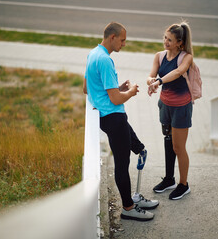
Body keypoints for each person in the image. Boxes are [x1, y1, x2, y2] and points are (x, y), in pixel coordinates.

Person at [83, 22, 159, 221]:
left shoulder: (93, 54)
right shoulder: (106, 61)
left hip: (108, 116)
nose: (124, 44)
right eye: (123, 40)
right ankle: (128, 207)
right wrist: (130, 92)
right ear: (112, 37)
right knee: (122, 164)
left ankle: (134, 198)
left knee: (139, 148)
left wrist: (117, 87)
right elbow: (116, 99)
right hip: (113, 117)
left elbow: (87, 88)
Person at [147, 21, 194, 200]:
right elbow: (151, 75)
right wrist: (150, 81)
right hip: (165, 105)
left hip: (181, 107)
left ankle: (183, 184)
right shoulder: (159, 56)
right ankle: (169, 179)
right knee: (168, 141)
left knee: (178, 147)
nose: (165, 42)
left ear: (179, 43)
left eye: (170, 40)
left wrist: (158, 81)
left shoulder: (186, 57)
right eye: (165, 38)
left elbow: (177, 72)